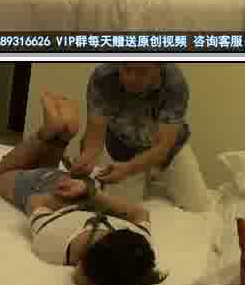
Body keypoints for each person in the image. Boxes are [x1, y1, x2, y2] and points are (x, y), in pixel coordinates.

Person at [0, 92, 164, 285]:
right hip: (56, 191)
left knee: (46, 169)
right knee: (2, 174)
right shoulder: (55, 242)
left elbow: (140, 213)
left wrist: (92, 194)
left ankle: (62, 132)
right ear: (83, 266)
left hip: (85, 187)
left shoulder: (137, 244)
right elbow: (37, 201)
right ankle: (48, 132)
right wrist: (68, 198)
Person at [70, 63, 190, 194]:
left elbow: (162, 148)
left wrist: (128, 169)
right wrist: (87, 158)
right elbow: (94, 141)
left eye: (142, 72)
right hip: (121, 146)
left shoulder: (174, 83)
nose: (131, 78)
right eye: (126, 68)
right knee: (118, 201)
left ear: (158, 68)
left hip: (168, 151)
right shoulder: (103, 76)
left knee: (192, 202)